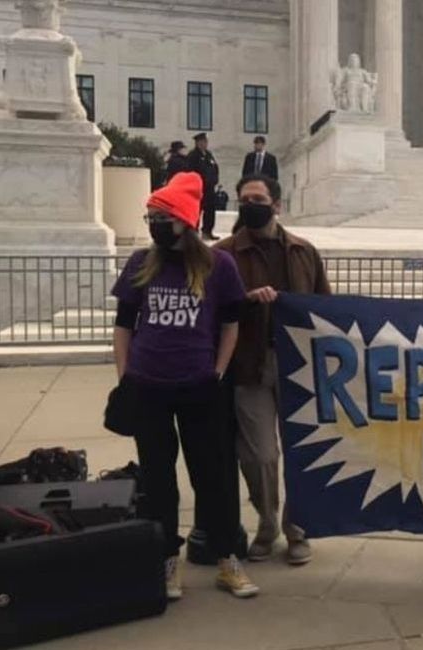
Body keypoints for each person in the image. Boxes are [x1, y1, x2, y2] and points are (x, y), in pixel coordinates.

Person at [111, 171, 259, 600]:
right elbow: (123, 326)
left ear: (184, 221)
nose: (153, 222)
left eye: (160, 215)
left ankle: (228, 559)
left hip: (200, 386)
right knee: (158, 481)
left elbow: (231, 324)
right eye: (150, 215)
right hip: (148, 384)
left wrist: (217, 370)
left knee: (213, 477)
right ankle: (166, 562)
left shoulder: (219, 266)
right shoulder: (141, 263)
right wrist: (125, 377)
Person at [216, 175, 330, 565]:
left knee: (301, 453)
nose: (251, 204)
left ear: (277, 205)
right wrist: (245, 302)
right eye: (245, 198)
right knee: (260, 455)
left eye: (258, 198)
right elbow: (211, 312)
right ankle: (267, 522)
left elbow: (325, 310)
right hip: (250, 365)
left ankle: (297, 529)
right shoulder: (224, 254)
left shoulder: (303, 252)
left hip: (297, 367)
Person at [187, 132, 221, 241]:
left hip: (210, 188)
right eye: (202, 142)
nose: (205, 144)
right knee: (197, 210)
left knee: (210, 210)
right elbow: (190, 171)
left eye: (206, 141)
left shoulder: (208, 155)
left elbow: (215, 168)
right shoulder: (193, 156)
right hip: (198, 188)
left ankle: (207, 231)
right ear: (197, 143)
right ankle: (193, 231)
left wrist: (215, 180)